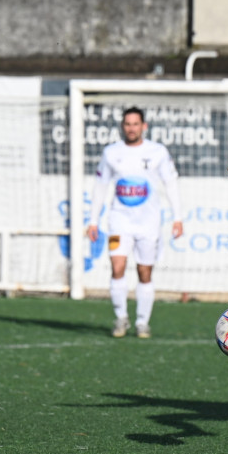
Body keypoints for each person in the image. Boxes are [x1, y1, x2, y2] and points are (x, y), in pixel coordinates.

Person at [87, 107, 184, 338]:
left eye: (135, 124)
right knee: (117, 267)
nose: (131, 128)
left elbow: (171, 183)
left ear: (144, 126)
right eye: (127, 124)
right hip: (119, 221)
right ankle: (121, 318)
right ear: (123, 127)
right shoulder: (111, 153)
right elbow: (100, 187)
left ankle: (142, 322)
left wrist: (178, 217)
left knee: (144, 272)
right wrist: (93, 220)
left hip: (148, 223)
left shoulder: (157, 152)